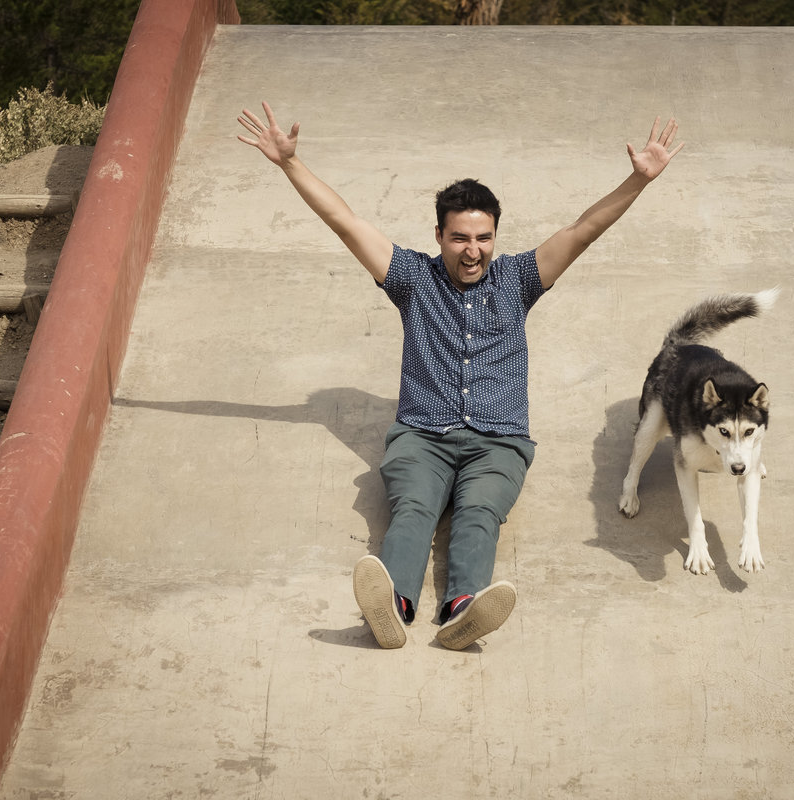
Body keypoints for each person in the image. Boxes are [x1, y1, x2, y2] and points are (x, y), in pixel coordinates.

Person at [237, 102, 684, 650]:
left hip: (499, 441)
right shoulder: (412, 278)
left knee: (479, 512)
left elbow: (582, 230)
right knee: (414, 508)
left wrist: (638, 181)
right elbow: (346, 222)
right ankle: (393, 606)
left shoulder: (519, 279)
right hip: (422, 436)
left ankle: (463, 610)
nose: (473, 251)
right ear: (439, 235)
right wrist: (290, 164)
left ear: (495, 236)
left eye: (483, 238)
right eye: (460, 238)